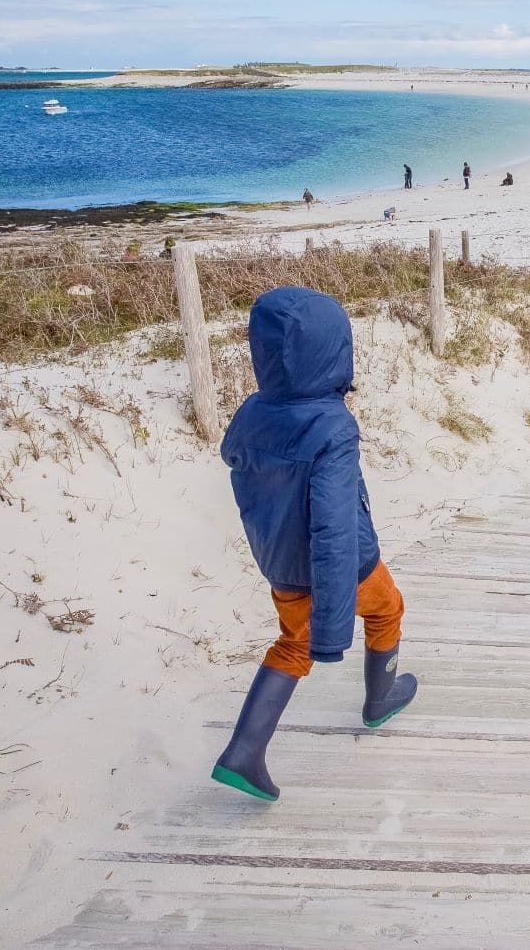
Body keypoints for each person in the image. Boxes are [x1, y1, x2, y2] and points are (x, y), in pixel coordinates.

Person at [211, 288, 418, 802]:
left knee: (290, 643)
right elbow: (334, 528)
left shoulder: (253, 412)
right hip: (346, 568)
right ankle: (380, 698)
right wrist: (333, 632)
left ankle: (244, 751)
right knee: (388, 608)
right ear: (333, 352)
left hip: (280, 566)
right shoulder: (332, 428)